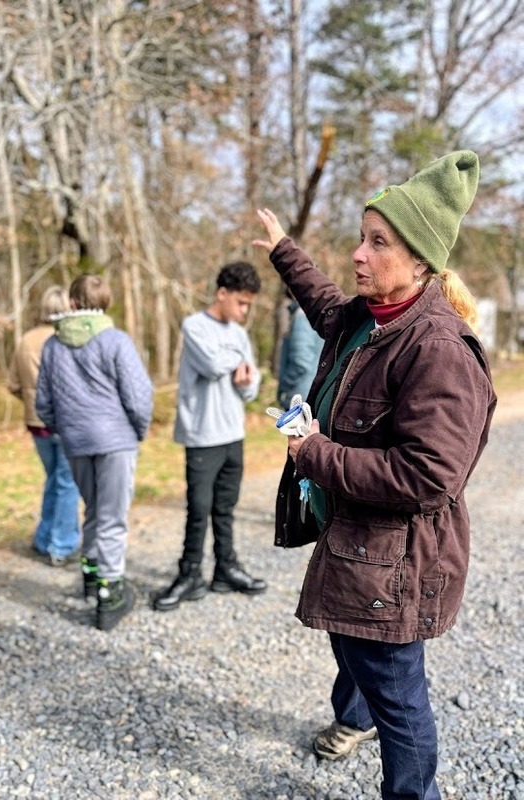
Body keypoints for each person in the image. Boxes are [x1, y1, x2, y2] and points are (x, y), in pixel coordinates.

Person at [253, 151, 496, 800]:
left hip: (396, 565)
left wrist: (312, 452)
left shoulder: (439, 350)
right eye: (362, 237)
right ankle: (351, 716)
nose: (359, 254)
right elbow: (325, 305)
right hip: (353, 547)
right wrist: (284, 251)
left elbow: (428, 475)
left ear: (421, 261)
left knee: (399, 700)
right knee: (354, 650)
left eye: (378, 242)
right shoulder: (369, 317)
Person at [36, 274, 153, 632]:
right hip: (115, 440)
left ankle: (90, 573)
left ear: (72, 303)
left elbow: (43, 402)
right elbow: (138, 394)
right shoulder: (115, 340)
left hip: (76, 441)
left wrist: (66, 428)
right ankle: (109, 593)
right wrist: (139, 429)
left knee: (93, 509)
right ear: (105, 303)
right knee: (112, 516)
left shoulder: (52, 346)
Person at [153, 261, 267, 612]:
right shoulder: (194, 326)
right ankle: (189, 575)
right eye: (241, 303)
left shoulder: (239, 334)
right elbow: (214, 365)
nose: (244, 311)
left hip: (233, 433)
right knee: (198, 510)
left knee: (225, 508)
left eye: (249, 305)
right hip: (202, 436)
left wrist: (246, 377)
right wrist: (238, 366)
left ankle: (225, 568)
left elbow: (250, 385)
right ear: (222, 293)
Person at [8, 286, 81, 566]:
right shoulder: (66, 338)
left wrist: (30, 400)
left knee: (54, 479)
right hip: (64, 423)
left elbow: (13, 383)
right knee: (67, 483)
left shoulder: (26, 340)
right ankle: (61, 546)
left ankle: (44, 538)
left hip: (36, 424)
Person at [277, 288, 323, 410]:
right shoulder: (316, 313)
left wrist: (284, 387)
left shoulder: (302, 316)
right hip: (308, 396)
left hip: (299, 398)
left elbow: (301, 362)